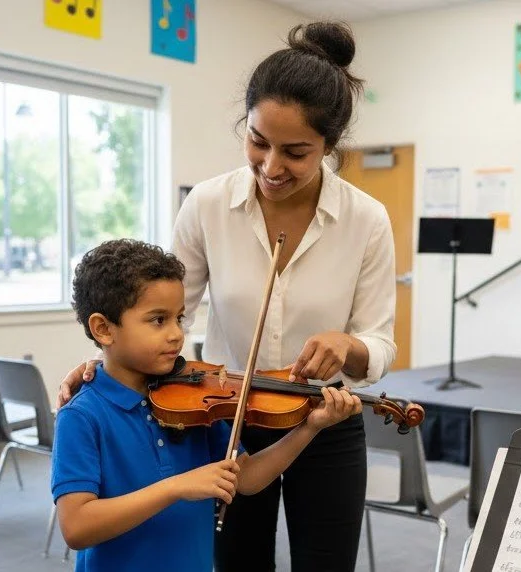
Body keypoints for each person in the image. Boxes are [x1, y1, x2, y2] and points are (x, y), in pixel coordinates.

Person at [59, 21, 397, 572]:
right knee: (236, 564)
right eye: (258, 142)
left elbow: (380, 343)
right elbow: (161, 310)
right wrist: (104, 361)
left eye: (296, 153)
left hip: (323, 419)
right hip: (223, 415)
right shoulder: (209, 204)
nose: (270, 167)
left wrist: (348, 346)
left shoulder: (366, 218)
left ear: (328, 147)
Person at [53, 239, 362, 572]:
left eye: (179, 319)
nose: (176, 335)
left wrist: (310, 427)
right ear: (103, 328)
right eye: (158, 320)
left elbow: (246, 478)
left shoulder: (194, 403)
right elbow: (77, 526)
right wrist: (176, 486)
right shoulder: (82, 416)